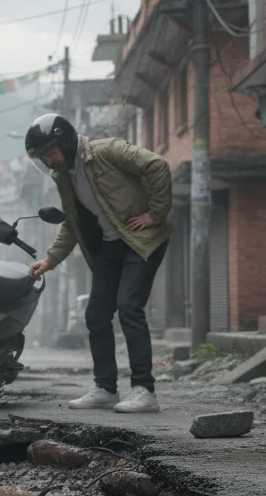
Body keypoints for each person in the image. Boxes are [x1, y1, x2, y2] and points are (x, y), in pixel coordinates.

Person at [24, 113, 173, 413]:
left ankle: (145, 391)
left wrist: (155, 214)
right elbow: (72, 224)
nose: (50, 161)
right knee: (96, 315)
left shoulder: (106, 150)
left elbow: (156, 165)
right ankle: (105, 388)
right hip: (110, 246)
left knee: (129, 307)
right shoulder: (64, 176)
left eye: (51, 153)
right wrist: (50, 260)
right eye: (44, 158)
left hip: (139, 240)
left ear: (64, 142)